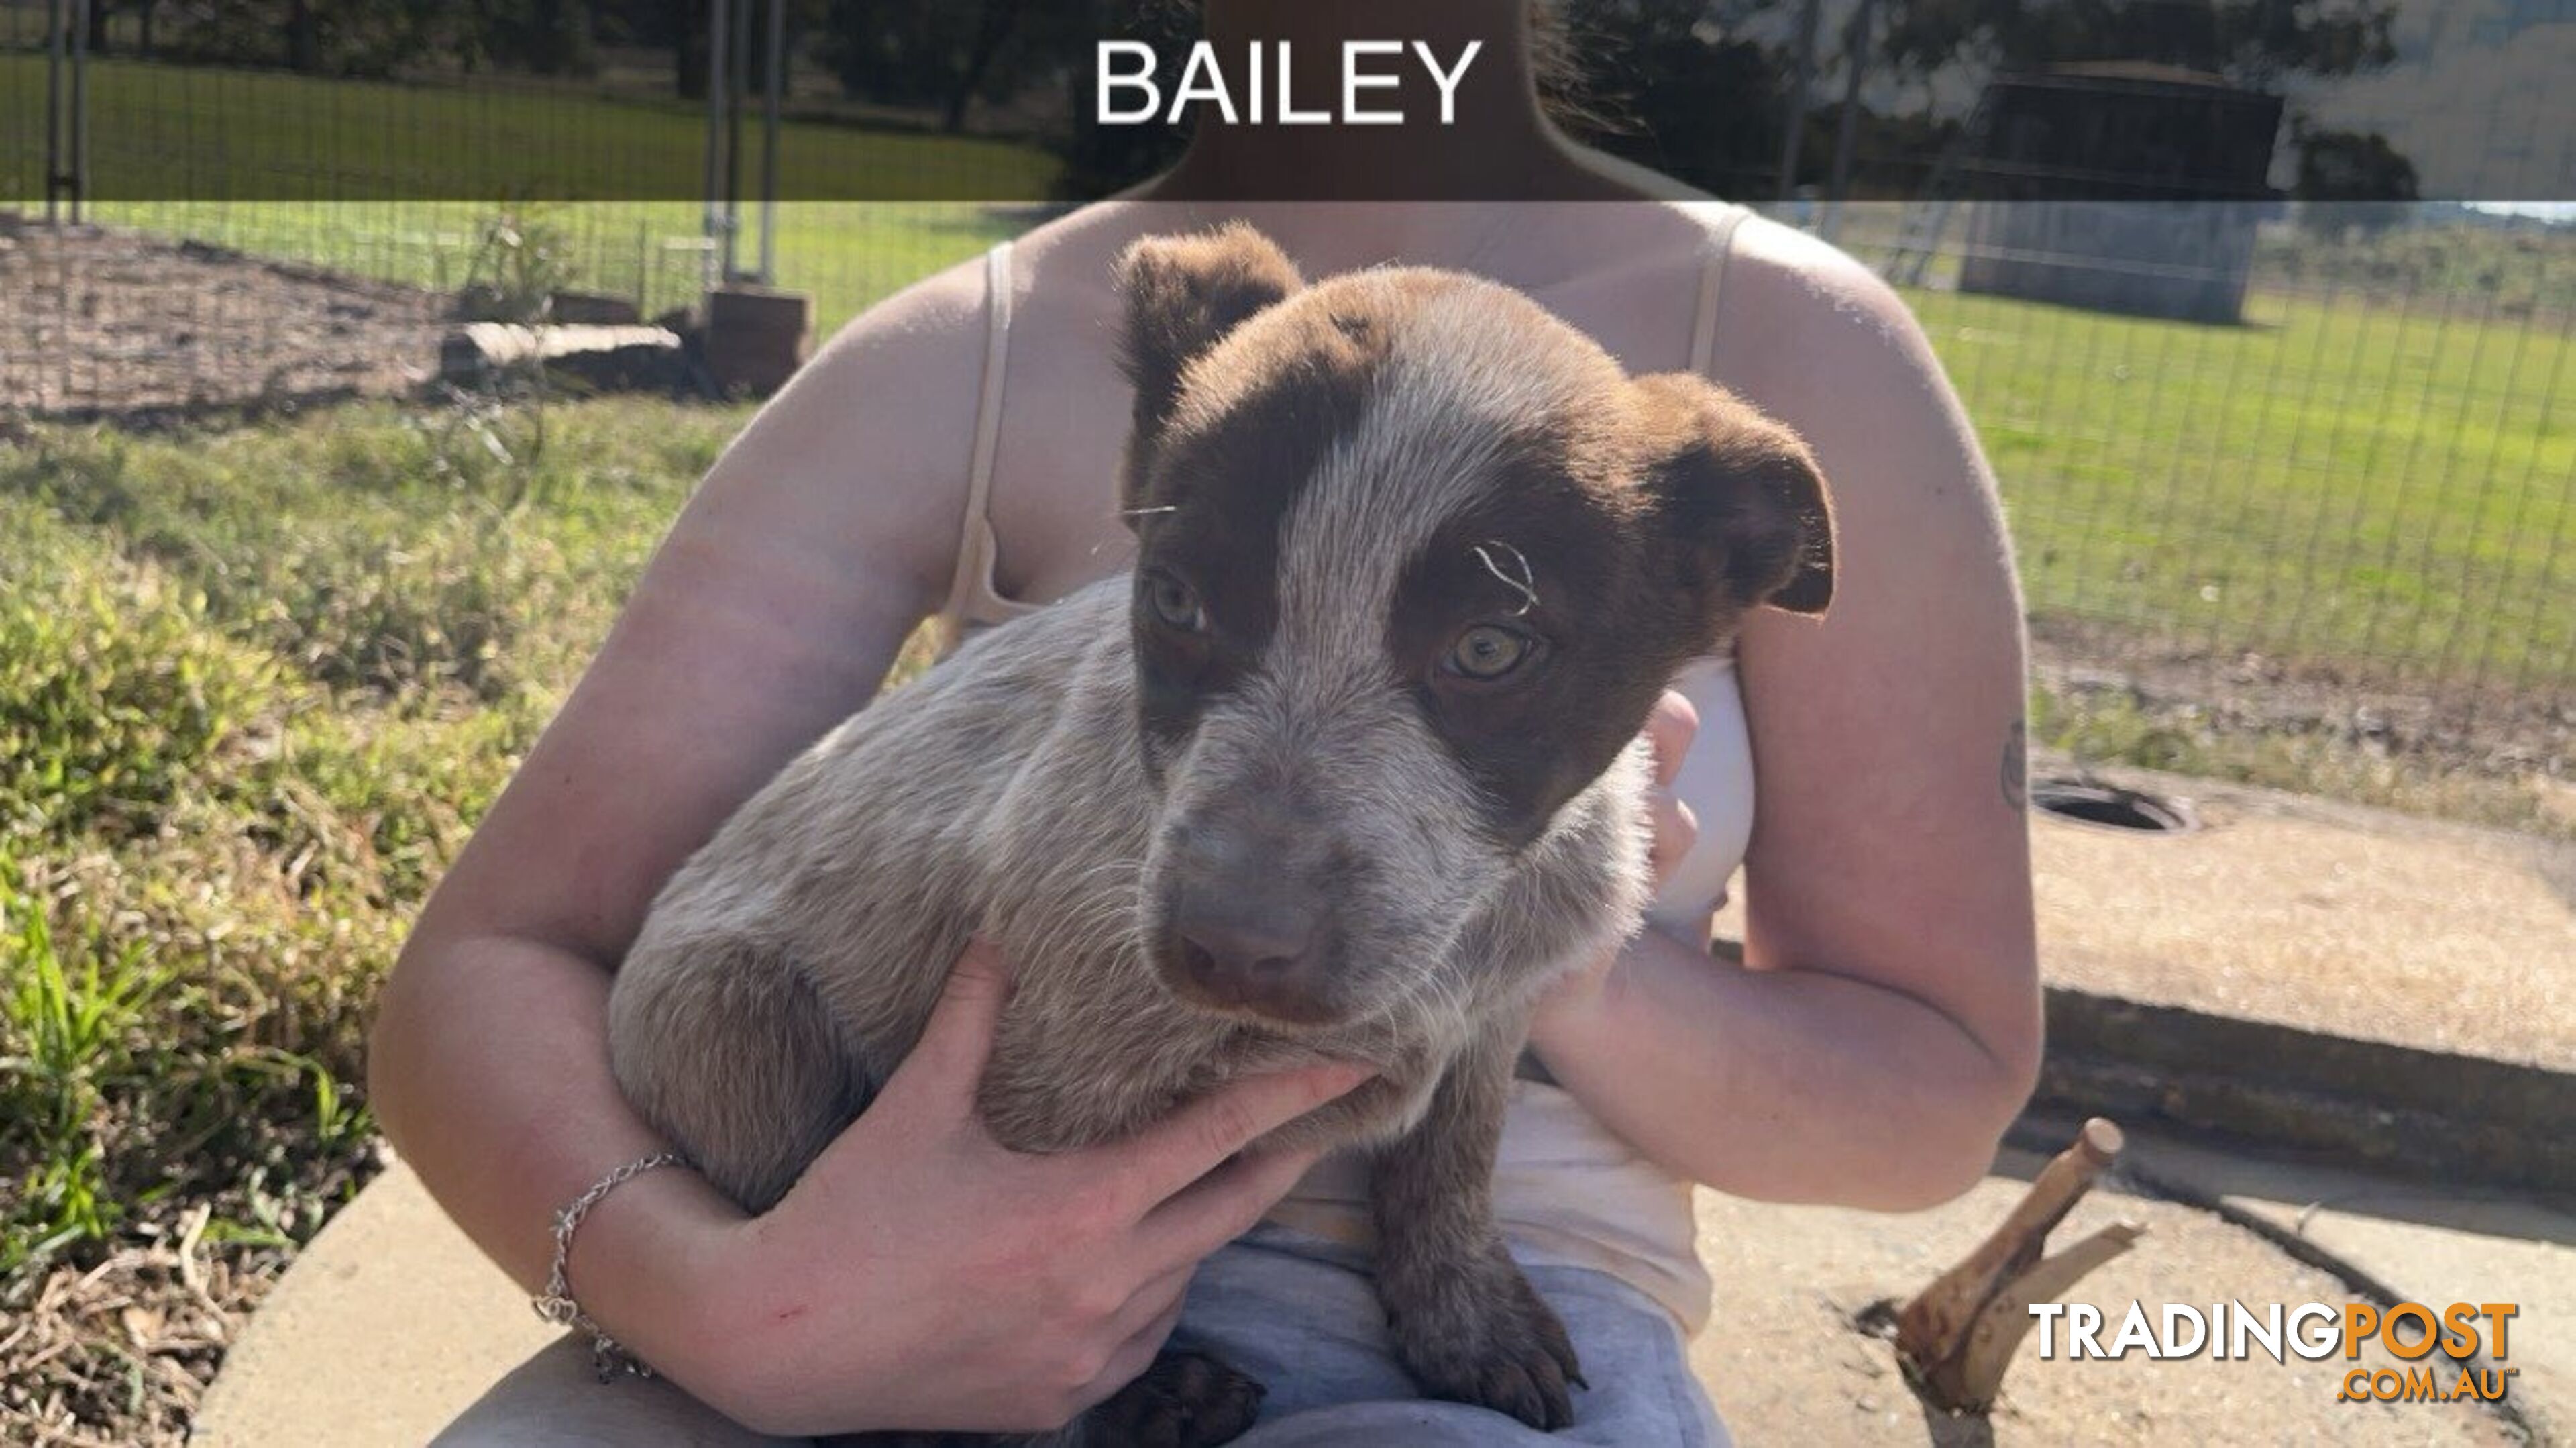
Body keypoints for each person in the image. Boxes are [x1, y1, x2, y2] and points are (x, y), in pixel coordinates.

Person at [369, 3, 2042, 1441]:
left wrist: (1557, 945)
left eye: (1484, 655)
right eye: (1183, 598)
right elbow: (494, 956)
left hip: (1481, 1344)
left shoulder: (1796, 364)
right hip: (839, 1268)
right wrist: (730, 1302)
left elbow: (1936, 1093)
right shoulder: (982, 348)